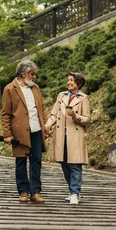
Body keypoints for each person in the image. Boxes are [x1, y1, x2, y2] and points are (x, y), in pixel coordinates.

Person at [1, 60, 49, 203]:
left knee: (36, 161)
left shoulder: (36, 88)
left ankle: (36, 192)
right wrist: (7, 134)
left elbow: (42, 109)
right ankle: (23, 191)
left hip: (36, 130)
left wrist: (45, 126)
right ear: (24, 74)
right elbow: (5, 114)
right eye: (32, 74)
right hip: (19, 132)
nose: (34, 77)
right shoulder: (9, 89)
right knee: (20, 161)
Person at [44, 72, 92, 205]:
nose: (69, 82)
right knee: (64, 164)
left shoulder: (84, 98)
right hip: (61, 135)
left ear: (79, 84)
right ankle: (72, 190)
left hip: (75, 136)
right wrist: (47, 125)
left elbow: (87, 120)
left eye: (72, 80)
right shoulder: (61, 96)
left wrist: (75, 115)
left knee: (75, 165)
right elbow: (54, 114)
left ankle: (75, 193)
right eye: (68, 80)